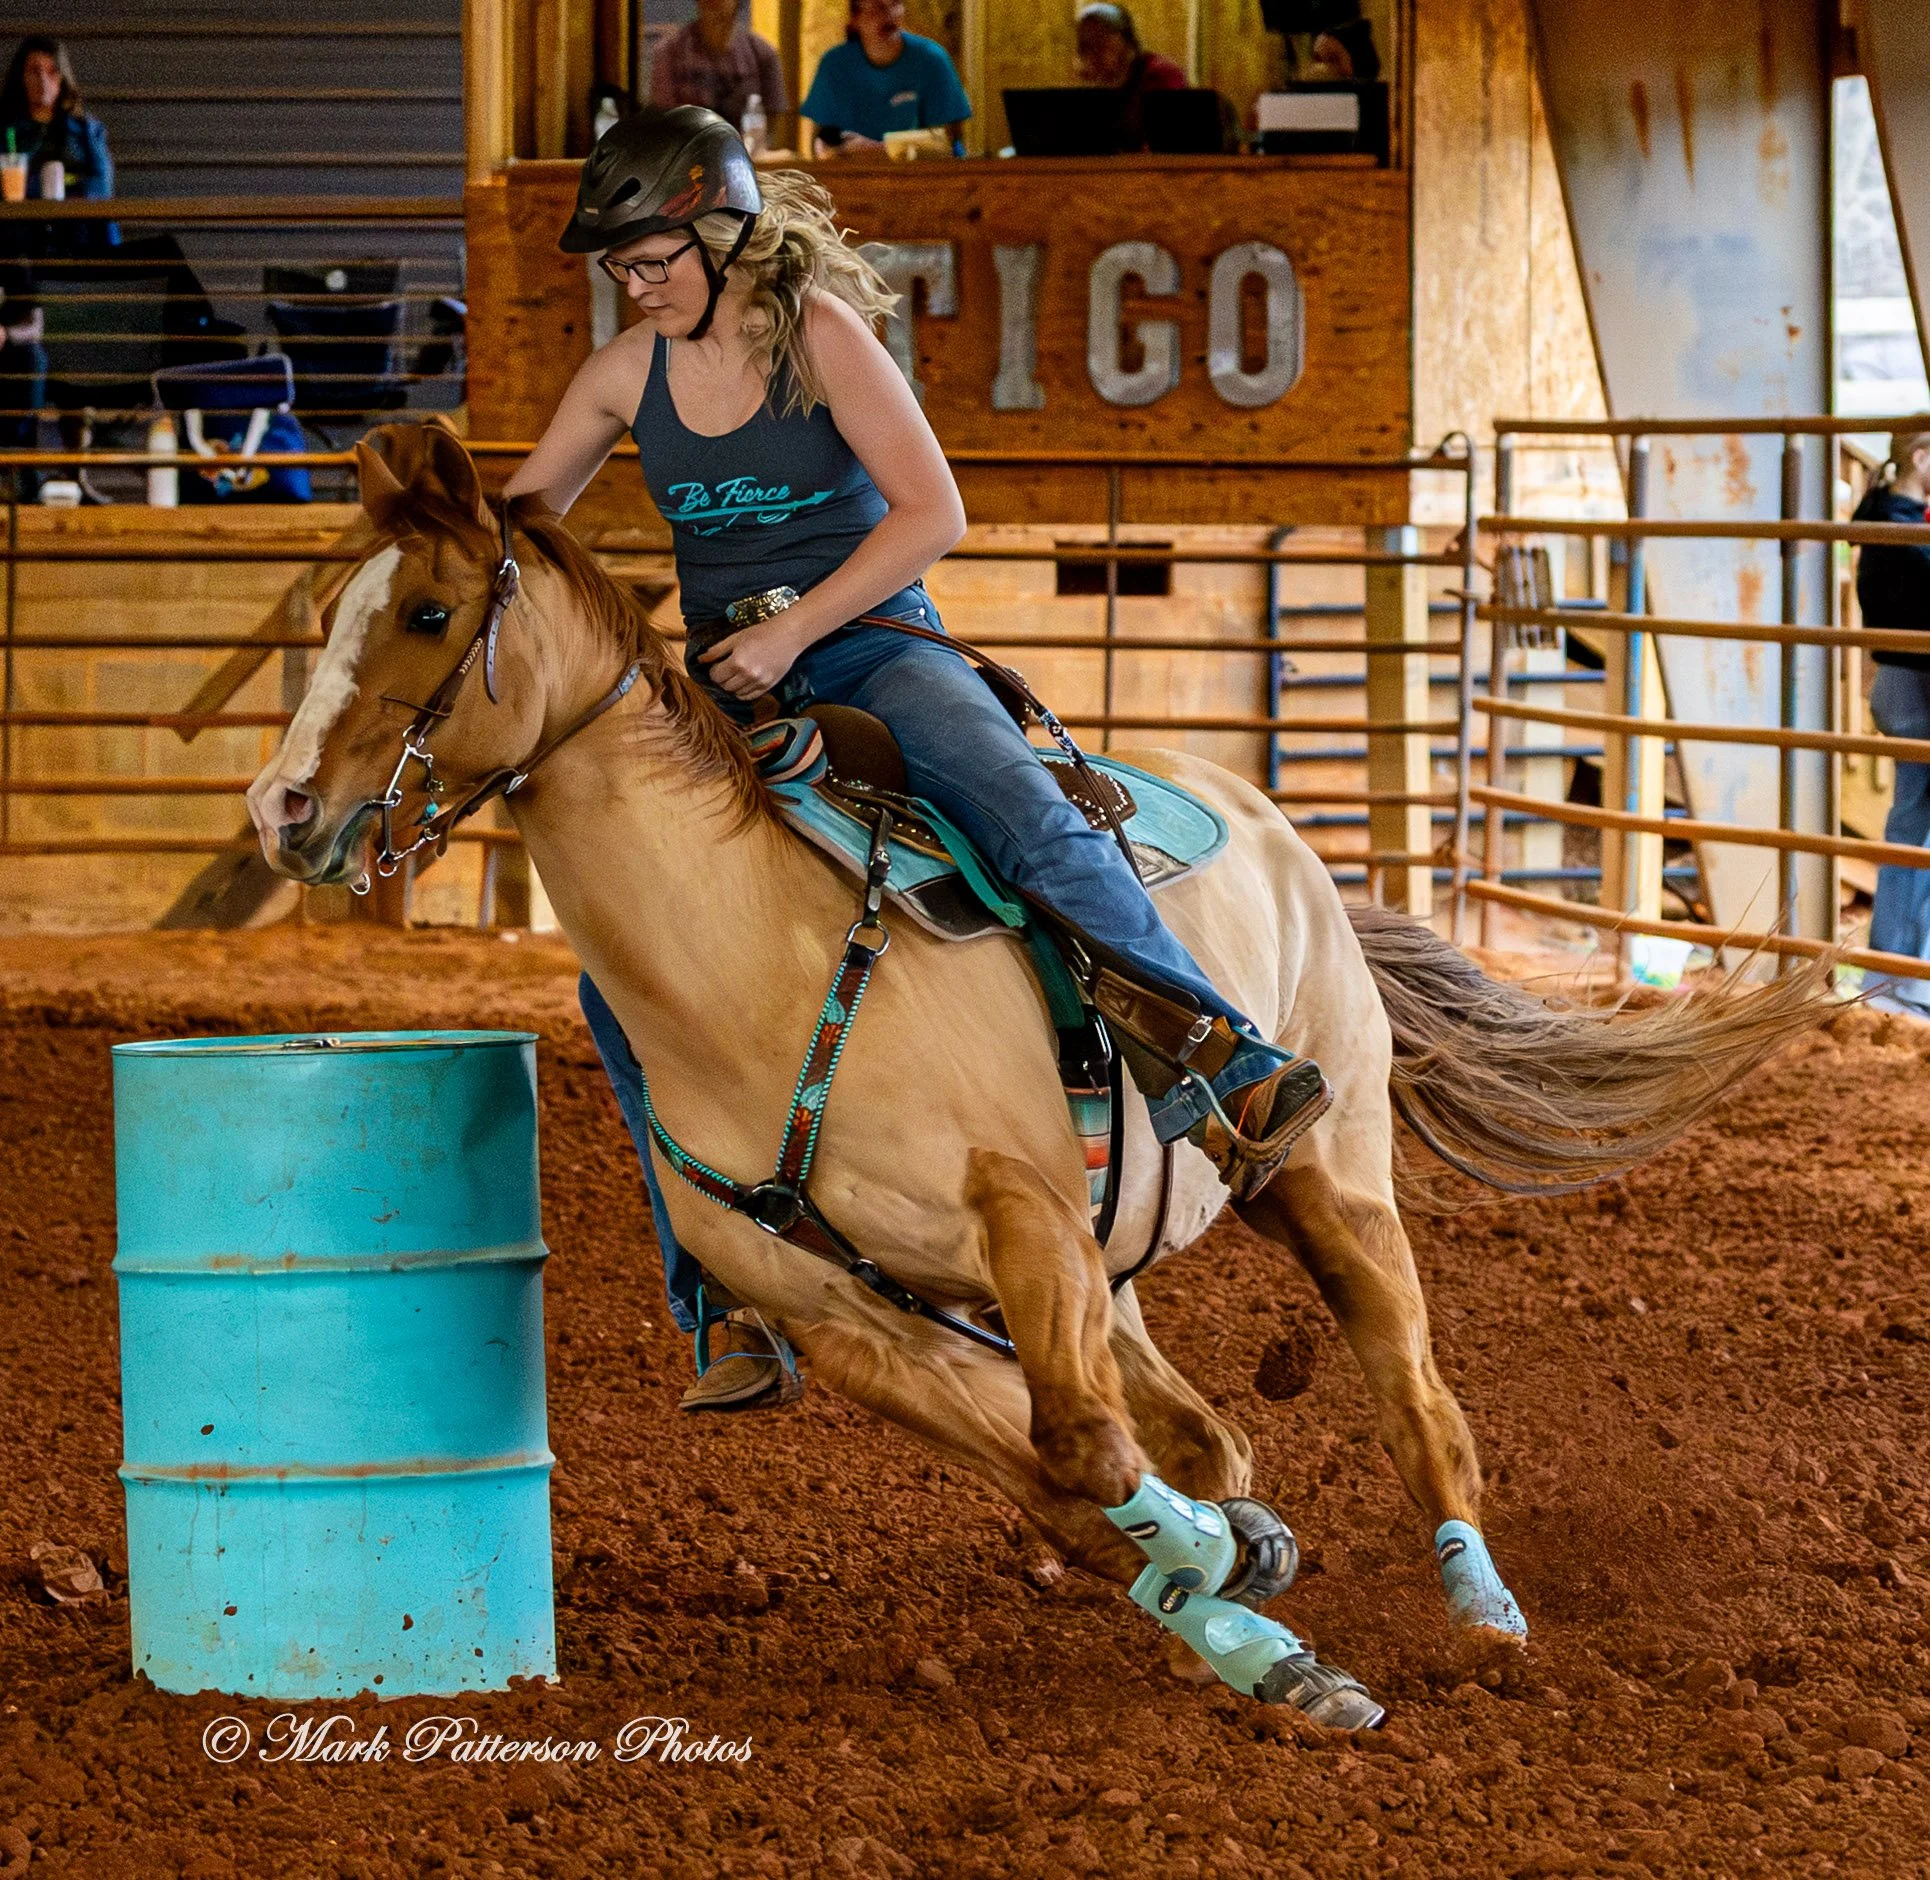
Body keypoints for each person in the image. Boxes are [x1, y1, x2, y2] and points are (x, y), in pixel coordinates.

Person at [508, 106, 1329, 1410]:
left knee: (1010, 798)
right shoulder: (621, 378)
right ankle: (717, 1295)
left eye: (654, 255)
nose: (637, 282)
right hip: (722, 681)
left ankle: (1217, 1055)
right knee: (618, 982)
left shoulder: (819, 339)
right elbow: (520, 513)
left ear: (721, 233)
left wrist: (794, 636)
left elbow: (932, 511)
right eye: (620, 265)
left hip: (871, 643)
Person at [1856, 429, 1930, 1017]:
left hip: (1900, 682)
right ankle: (1903, 982)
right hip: (1917, 683)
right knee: (1915, 830)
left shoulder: (1883, 516)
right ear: (1922, 458)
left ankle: (1895, 979)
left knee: (1911, 824)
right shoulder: (1902, 530)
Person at [799, 0, 969, 156]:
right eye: (877, 8)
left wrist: (879, 148)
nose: (890, 15)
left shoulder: (932, 59)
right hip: (856, 177)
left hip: (924, 178)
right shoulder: (835, 65)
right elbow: (819, 143)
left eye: (895, 4)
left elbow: (947, 140)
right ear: (854, 18)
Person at [650, 0, 787, 141]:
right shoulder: (669, 52)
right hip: (687, 154)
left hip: (746, 155)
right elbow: (663, 119)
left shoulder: (763, 54)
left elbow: (773, 123)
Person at [0, 36, 111, 202]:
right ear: (21, 77)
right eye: (35, 71)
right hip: (23, 223)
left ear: (62, 78)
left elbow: (101, 185)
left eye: (52, 72)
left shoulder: (87, 131)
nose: (43, 81)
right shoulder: (6, 131)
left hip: (77, 222)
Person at [1074, 3, 1186, 152]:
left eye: (1102, 38)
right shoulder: (1101, 85)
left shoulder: (1160, 74)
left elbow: (1167, 135)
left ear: (1126, 39)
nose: (1094, 51)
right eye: (1086, 45)